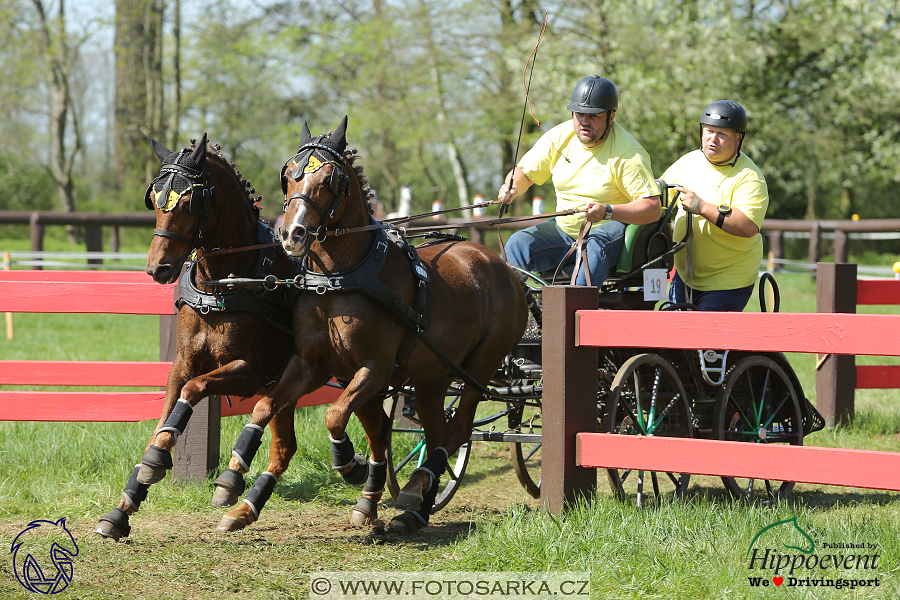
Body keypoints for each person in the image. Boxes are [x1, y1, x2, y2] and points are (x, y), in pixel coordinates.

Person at [498, 75, 661, 286]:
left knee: (593, 245)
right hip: (564, 230)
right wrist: (511, 188)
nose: (584, 121)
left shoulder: (628, 154)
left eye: (594, 116)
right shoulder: (558, 137)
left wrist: (607, 211)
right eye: (579, 114)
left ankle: (577, 311)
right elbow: (524, 173)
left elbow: (652, 208)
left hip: (608, 228)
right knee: (518, 243)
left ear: (611, 117)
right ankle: (515, 314)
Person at [661, 100, 768, 312]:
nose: (713, 139)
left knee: (706, 344)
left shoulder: (750, 177)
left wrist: (702, 207)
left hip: (727, 281)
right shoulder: (689, 161)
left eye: (723, 134)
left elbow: (747, 226)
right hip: (684, 275)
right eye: (709, 131)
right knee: (674, 341)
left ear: (739, 139)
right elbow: (658, 197)